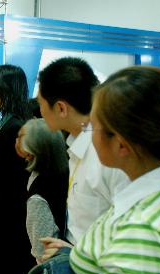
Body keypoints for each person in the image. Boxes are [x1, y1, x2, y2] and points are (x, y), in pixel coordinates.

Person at [33, 66, 160, 274]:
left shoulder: (142, 231)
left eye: (94, 127)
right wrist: (76, 252)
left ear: (121, 144)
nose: (88, 132)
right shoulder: (156, 195)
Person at [36, 57, 129, 252]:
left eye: (41, 104)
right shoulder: (76, 145)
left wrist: (77, 256)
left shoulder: (107, 155)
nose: (40, 112)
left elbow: (126, 236)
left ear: (61, 108)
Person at [0, 64, 35, 274]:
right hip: (2, 203)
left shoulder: (15, 126)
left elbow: (11, 174)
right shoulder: (8, 119)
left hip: (8, 209)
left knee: (6, 264)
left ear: (4, 91)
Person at [15, 118, 69, 264]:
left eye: (20, 137)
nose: (17, 141)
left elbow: (41, 251)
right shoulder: (63, 168)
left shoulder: (38, 196)